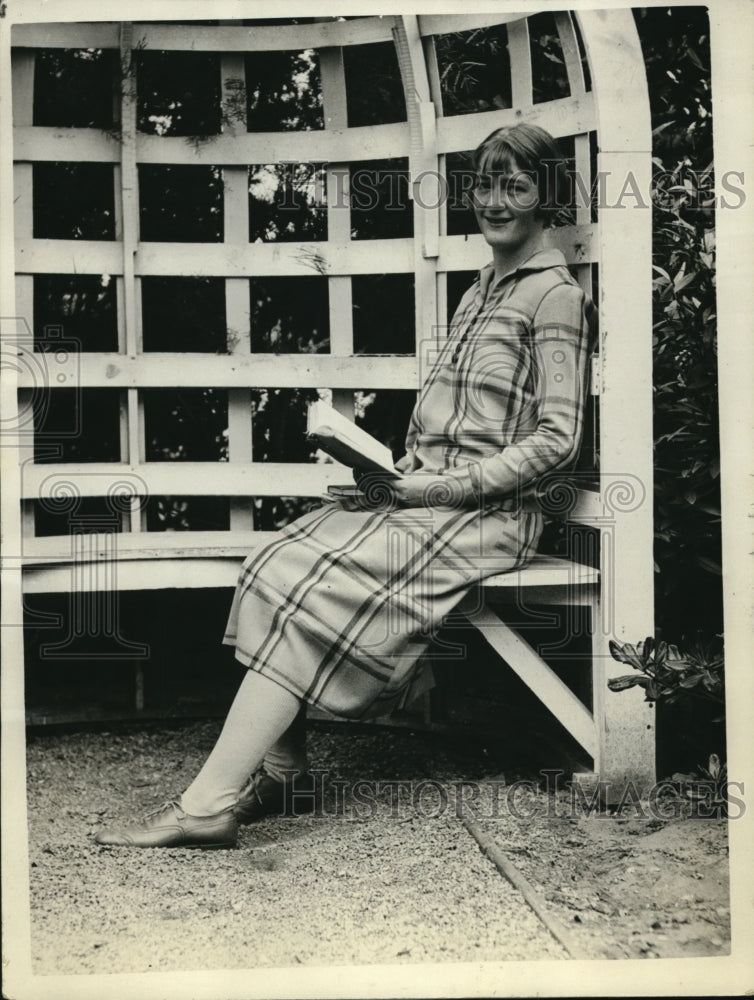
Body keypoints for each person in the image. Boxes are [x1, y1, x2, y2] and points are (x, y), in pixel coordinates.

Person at [95, 122, 596, 849]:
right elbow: (453, 425)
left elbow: (557, 438)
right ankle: (286, 770)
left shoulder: (556, 297)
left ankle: (207, 805)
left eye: (514, 186)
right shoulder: (479, 291)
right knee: (274, 559)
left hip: (489, 517)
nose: (493, 201)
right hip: (430, 498)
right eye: (484, 184)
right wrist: (387, 480)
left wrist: (440, 491)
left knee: (312, 581)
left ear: (545, 198)